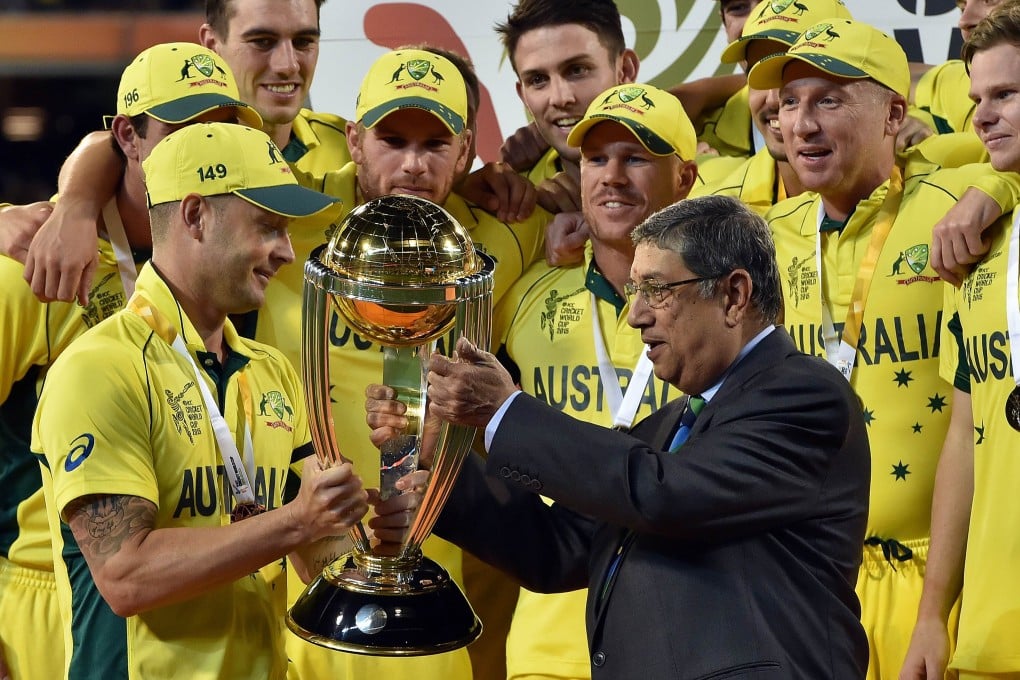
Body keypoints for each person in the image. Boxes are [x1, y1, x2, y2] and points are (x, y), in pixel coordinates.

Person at [368, 194, 871, 679]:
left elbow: (664, 494)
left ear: (733, 295)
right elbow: (556, 549)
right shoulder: (669, 426)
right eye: (634, 290)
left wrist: (507, 412)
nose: (635, 314)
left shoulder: (803, 394)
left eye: (657, 289)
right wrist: (438, 459)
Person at [31, 121, 357, 679]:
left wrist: (374, 536)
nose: (285, 251)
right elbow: (125, 576)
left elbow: (317, 556)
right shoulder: (101, 367)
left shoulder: (270, 369)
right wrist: (295, 522)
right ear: (194, 215)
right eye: (268, 227)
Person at [748, 19, 1019, 679]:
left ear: (896, 112)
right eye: (790, 103)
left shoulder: (961, 207)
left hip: (943, 581)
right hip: (807, 582)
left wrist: (999, 187)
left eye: (828, 100)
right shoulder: (756, 244)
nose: (800, 124)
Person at [277, 46, 547, 680]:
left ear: (464, 153)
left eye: (436, 143)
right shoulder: (285, 211)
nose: (413, 165)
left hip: (428, 596)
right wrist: (71, 197)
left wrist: (544, 196)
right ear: (353, 140)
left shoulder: (505, 233)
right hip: (300, 589)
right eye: (391, 139)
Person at [0, 42, 261, 680]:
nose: (205, 154)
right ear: (129, 136)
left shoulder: (235, 265)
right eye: (183, 132)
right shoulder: (31, 264)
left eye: (220, 132)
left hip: (194, 586)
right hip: (40, 600)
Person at [483, 82, 696, 680]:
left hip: (680, 625)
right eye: (596, 159)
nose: (612, 176)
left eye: (636, 158)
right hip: (549, 638)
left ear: (685, 178)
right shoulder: (524, 298)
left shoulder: (720, 311)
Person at [6, 0, 350, 306]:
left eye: (304, 41)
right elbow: (117, 148)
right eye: (262, 41)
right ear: (213, 44)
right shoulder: (55, 252)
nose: (287, 64)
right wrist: (73, 210)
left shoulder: (353, 151)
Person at [901, 4, 1020, 678]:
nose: (980, 115)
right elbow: (964, 430)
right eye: (977, 97)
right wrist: (930, 615)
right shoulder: (968, 243)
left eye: (1005, 94)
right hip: (988, 631)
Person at [689, 0, 852, 213]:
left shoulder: (905, 165)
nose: (774, 99)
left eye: (798, 77)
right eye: (757, 76)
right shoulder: (711, 211)